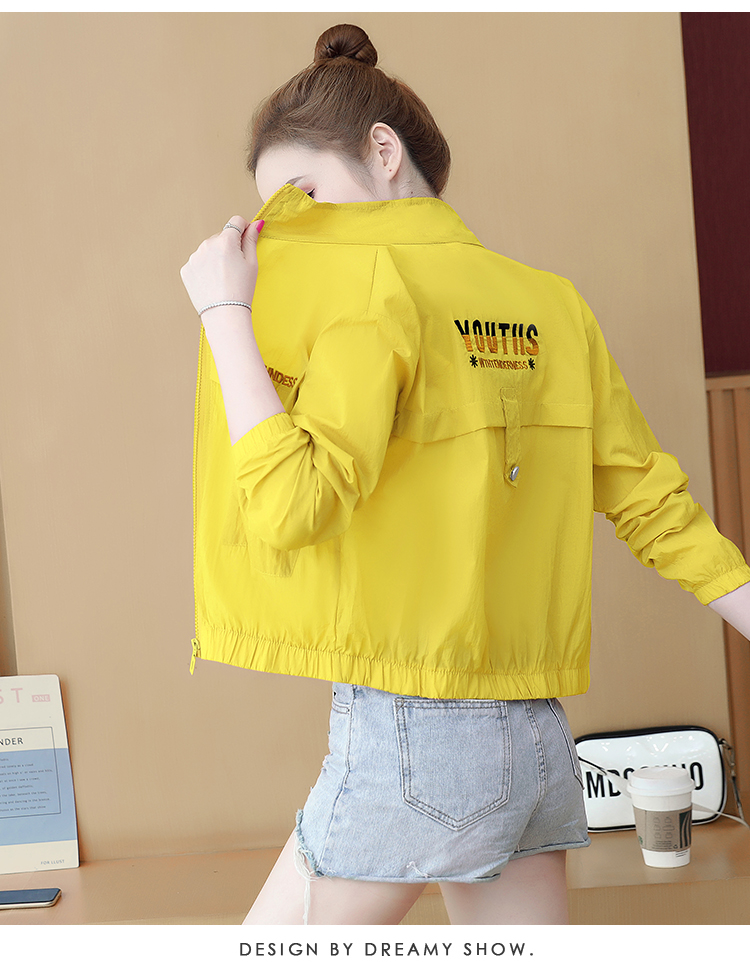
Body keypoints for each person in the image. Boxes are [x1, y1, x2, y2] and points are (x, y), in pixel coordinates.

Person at [179, 23, 750, 926]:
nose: (294, 229)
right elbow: (652, 505)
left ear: (383, 152)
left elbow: (291, 507)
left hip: (412, 727)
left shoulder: (371, 295)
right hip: (532, 732)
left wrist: (223, 315)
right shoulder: (552, 304)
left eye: (305, 195)